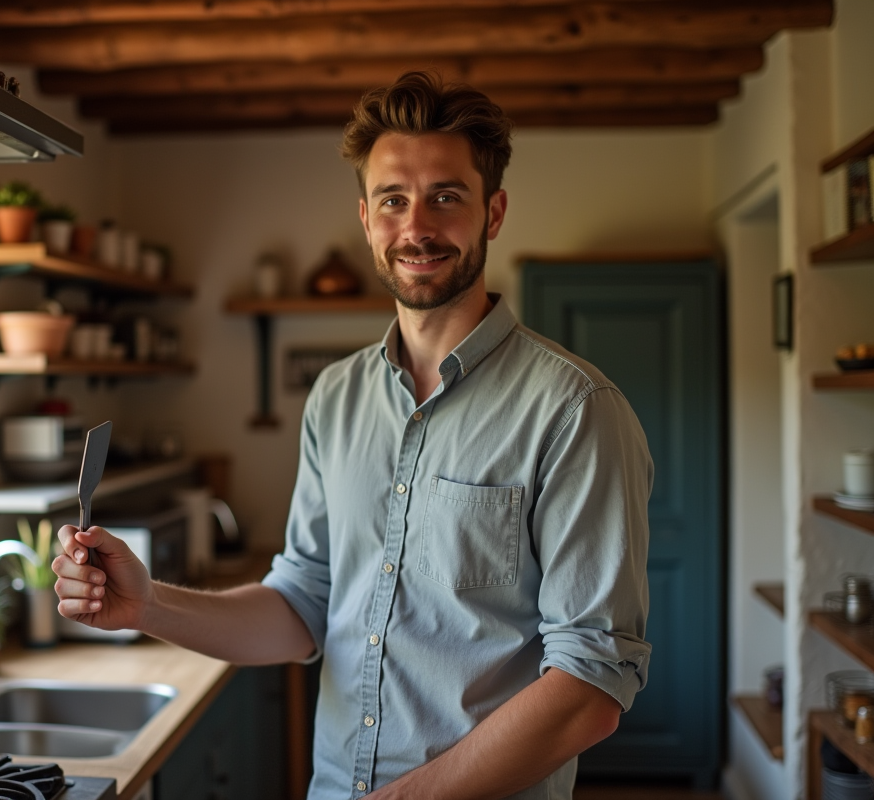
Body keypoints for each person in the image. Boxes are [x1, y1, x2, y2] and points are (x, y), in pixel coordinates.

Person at [53, 71, 653, 800]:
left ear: (493, 213)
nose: (417, 227)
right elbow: (301, 605)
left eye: (446, 197)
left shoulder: (574, 409)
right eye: (394, 200)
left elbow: (591, 686)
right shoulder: (336, 397)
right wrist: (148, 606)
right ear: (367, 219)